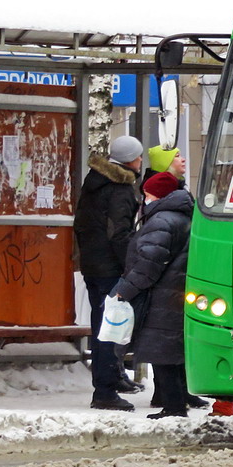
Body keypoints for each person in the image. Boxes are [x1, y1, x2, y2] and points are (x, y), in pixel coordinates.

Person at [111, 173, 195, 419]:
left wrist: (125, 289)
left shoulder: (162, 220)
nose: (144, 199)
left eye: (147, 194)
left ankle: (174, 406)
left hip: (162, 295)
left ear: (157, 195)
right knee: (172, 350)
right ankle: (177, 402)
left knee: (162, 351)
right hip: (177, 291)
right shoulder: (184, 218)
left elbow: (149, 263)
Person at [74, 135, 145, 411]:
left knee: (105, 324)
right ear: (129, 160)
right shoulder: (120, 188)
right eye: (138, 156)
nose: (141, 161)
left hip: (94, 264)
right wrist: (132, 267)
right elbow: (120, 235)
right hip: (110, 269)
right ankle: (104, 392)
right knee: (110, 329)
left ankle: (112, 379)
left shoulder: (95, 182)